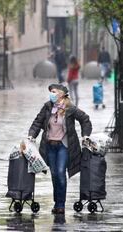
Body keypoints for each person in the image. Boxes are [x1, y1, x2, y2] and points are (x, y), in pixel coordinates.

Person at [28, 84, 92, 214]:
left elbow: (85, 119)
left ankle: (61, 205)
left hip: (64, 146)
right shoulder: (47, 107)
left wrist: (85, 135)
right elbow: (37, 122)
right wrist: (31, 135)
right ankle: (57, 202)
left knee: (61, 173)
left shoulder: (70, 108)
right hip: (49, 146)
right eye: (50, 92)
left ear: (62, 94)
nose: (51, 94)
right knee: (54, 175)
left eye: (53, 92)